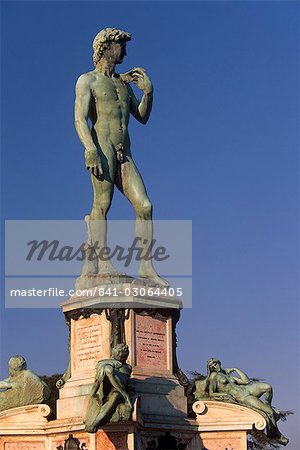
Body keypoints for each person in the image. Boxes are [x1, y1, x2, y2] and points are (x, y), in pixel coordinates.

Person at [75, 28, 168, 286]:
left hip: (124, 153)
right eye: (121, 46)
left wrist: (148, 93)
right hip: (102, 149)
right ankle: (99, 260)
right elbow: (79, 118)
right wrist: (89, 148)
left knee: (145, 206)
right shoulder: (88, 81)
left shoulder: (121, 84)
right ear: (107, 47)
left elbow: (142, 117)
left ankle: (147, 268)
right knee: (102, 205)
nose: (125, 51)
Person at [201, 358, 288, 446]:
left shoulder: (227, 376)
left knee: (268, 387)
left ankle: (267, 405)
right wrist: (224, 394)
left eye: (216, 364)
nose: (216, 366)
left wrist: (235, 369)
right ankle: (275, 435)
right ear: (211, 368)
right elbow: (211, 393)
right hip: (243, 397)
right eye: (213, 366)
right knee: (269, 412)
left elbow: (246, 381)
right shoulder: (214, 376)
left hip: (247, 389)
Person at [84, 344, 132, 433]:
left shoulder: (128, 367)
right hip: (107, 387)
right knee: (113, 394)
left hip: (118, 390)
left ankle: (96, 422)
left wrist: (125, 394)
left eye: (124, 352)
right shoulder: (105, 363)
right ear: (113, 352)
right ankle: (96, 422)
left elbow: (124, 380)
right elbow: (108, 371)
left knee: (115, 396)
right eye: (119, 352)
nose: (121, 354)